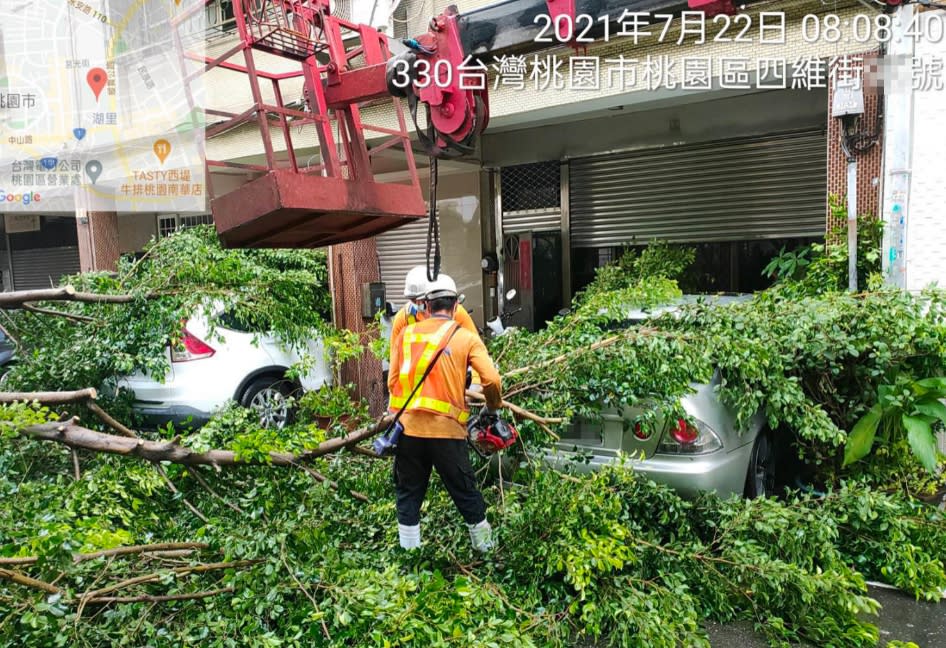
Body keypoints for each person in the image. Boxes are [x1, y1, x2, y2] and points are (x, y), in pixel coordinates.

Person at [387, 274, 503, 553]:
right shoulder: (465, 337)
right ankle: (486, 551)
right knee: (465, 490)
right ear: (455, 306)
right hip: (447, 432)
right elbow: (491, 380)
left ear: (426, 305)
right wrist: (492, 407)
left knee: (409, 493)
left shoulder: (405, 333)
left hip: (408, 430)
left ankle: (409, 557)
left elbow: (392, 382)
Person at [390, 266, 482, 390]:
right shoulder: (403, 319)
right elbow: (395, 366)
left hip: (450, 388)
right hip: (415, 393)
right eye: (412, 300)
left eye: (421, 300)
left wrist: (475, 385)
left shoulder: (455, 313)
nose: (417, 305)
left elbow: (476, 353)